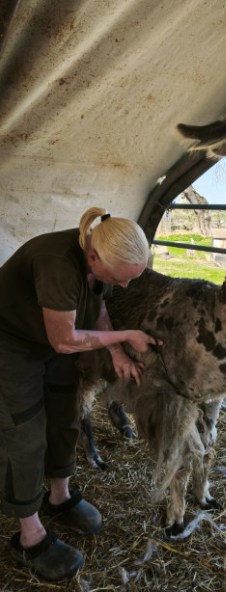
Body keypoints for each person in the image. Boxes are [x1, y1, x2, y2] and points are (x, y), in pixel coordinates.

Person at [0, 207, 160, 581]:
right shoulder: (56, 262)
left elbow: (99, 304)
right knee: (24, 432)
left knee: (65, 412)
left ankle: (60, 495)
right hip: (12, 342)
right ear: (93, 258)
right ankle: (29, 535)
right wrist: (124, 337)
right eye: (121, 279)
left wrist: (116, 353)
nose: (124, 287)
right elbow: (65, 339)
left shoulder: (102, 255)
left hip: (51, 343)